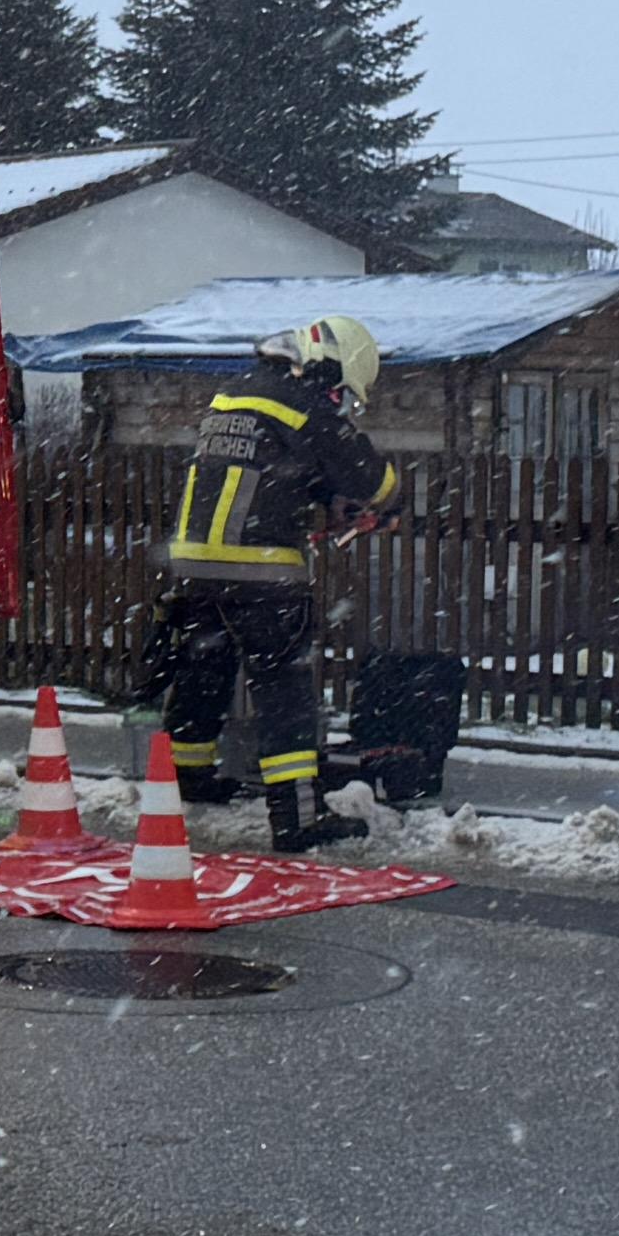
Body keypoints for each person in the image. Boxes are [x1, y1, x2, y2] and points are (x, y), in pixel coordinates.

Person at [150, 312, 400, 853]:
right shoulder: (306, 405)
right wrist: (383, 501)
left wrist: (319, 498)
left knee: (203, 671)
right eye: (341, 390)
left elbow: (264, 469)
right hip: (260, 571)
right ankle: (297, 821)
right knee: (283, 689)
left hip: (192, 566)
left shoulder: (236, 394)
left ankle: (185, 780)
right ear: (327, 369)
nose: (339, 400)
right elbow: (371, 478)